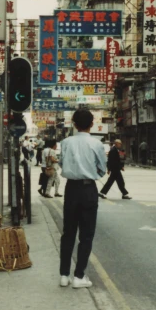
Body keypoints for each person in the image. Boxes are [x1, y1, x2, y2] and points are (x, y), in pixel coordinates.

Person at [58, 110, 107, 289]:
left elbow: (61, 163)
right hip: (88, 189)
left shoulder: (65, 143)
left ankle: (64, 275)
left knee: (68, 233)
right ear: (92, 124)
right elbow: (102, 169)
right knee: (86, 235)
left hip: (71, 188)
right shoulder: (96, 144)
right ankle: (79, 276)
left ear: (73, 123)